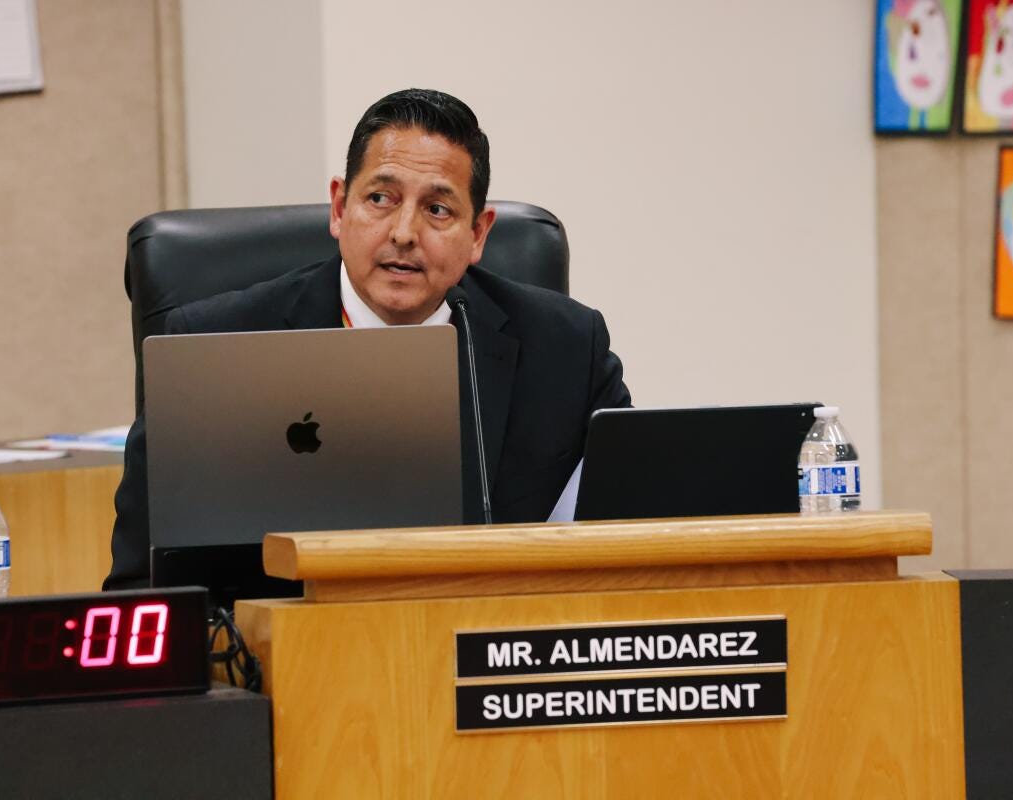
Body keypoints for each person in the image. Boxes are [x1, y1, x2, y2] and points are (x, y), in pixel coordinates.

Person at [104, 88, 631, 589]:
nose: (404, 232)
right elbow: (140, 583)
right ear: (339, 208)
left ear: (478, 234)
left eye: (438, 210)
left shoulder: (567, 349)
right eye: (380, 198)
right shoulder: (209, 348)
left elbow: (633, 553)